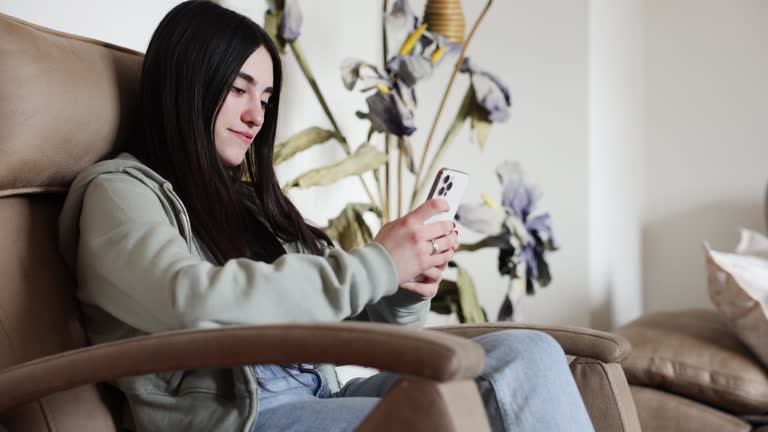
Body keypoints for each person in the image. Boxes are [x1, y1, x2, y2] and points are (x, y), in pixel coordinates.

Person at [58, 1, 594, 431]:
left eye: (265, 98)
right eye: (239, 89)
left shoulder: (248, 204)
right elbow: (193, 301)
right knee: (445, 418)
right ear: (186, 84)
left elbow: (371, 322)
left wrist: (408, 286)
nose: (255, 116)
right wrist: (380, 262)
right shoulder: (119, 195)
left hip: (319, 396)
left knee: (529, 353)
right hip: (243, 419)